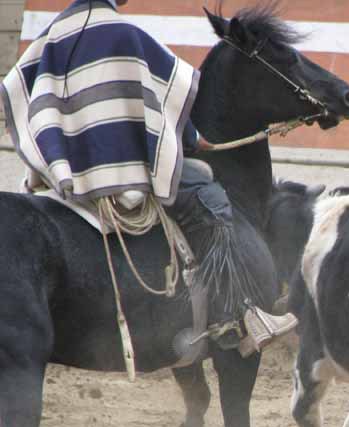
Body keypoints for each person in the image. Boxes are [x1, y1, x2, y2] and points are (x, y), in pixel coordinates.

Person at [0, 0, 294, 351]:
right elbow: (165, 97)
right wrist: (190, 139)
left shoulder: (52, 34)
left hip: (66, 167)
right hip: (120, 166)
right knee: (208, 195)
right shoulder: (123, 35)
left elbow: (19, 87)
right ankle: (239, 315)